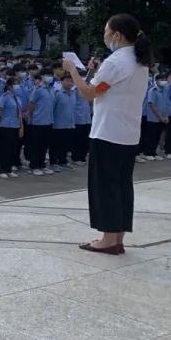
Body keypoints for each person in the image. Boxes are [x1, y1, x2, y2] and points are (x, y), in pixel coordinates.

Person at [63, 14, 152, 255]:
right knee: (122, 185)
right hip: (128, 133)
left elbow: (90, 94)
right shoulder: (139, 61)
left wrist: (72, 70)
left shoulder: (115, 62)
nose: (104, 36)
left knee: (106, 186)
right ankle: (118, 235)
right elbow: (104, 89)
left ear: (117, 35)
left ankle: (108, 239)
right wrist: (92, 73)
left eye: (106, 31)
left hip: (108, 132)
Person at [0, 78, 25, 179]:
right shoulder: (5, 96)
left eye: (18, 84)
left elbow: (20, 113)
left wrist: (21, 126)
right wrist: (2, 120)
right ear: (9, 86)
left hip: (16, 126)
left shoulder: (17, 98)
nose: (18, 86)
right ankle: (1, 170)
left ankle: (9, 169)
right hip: (6, 126)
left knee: (13, 148)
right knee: (4, 149)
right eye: (16, 84)